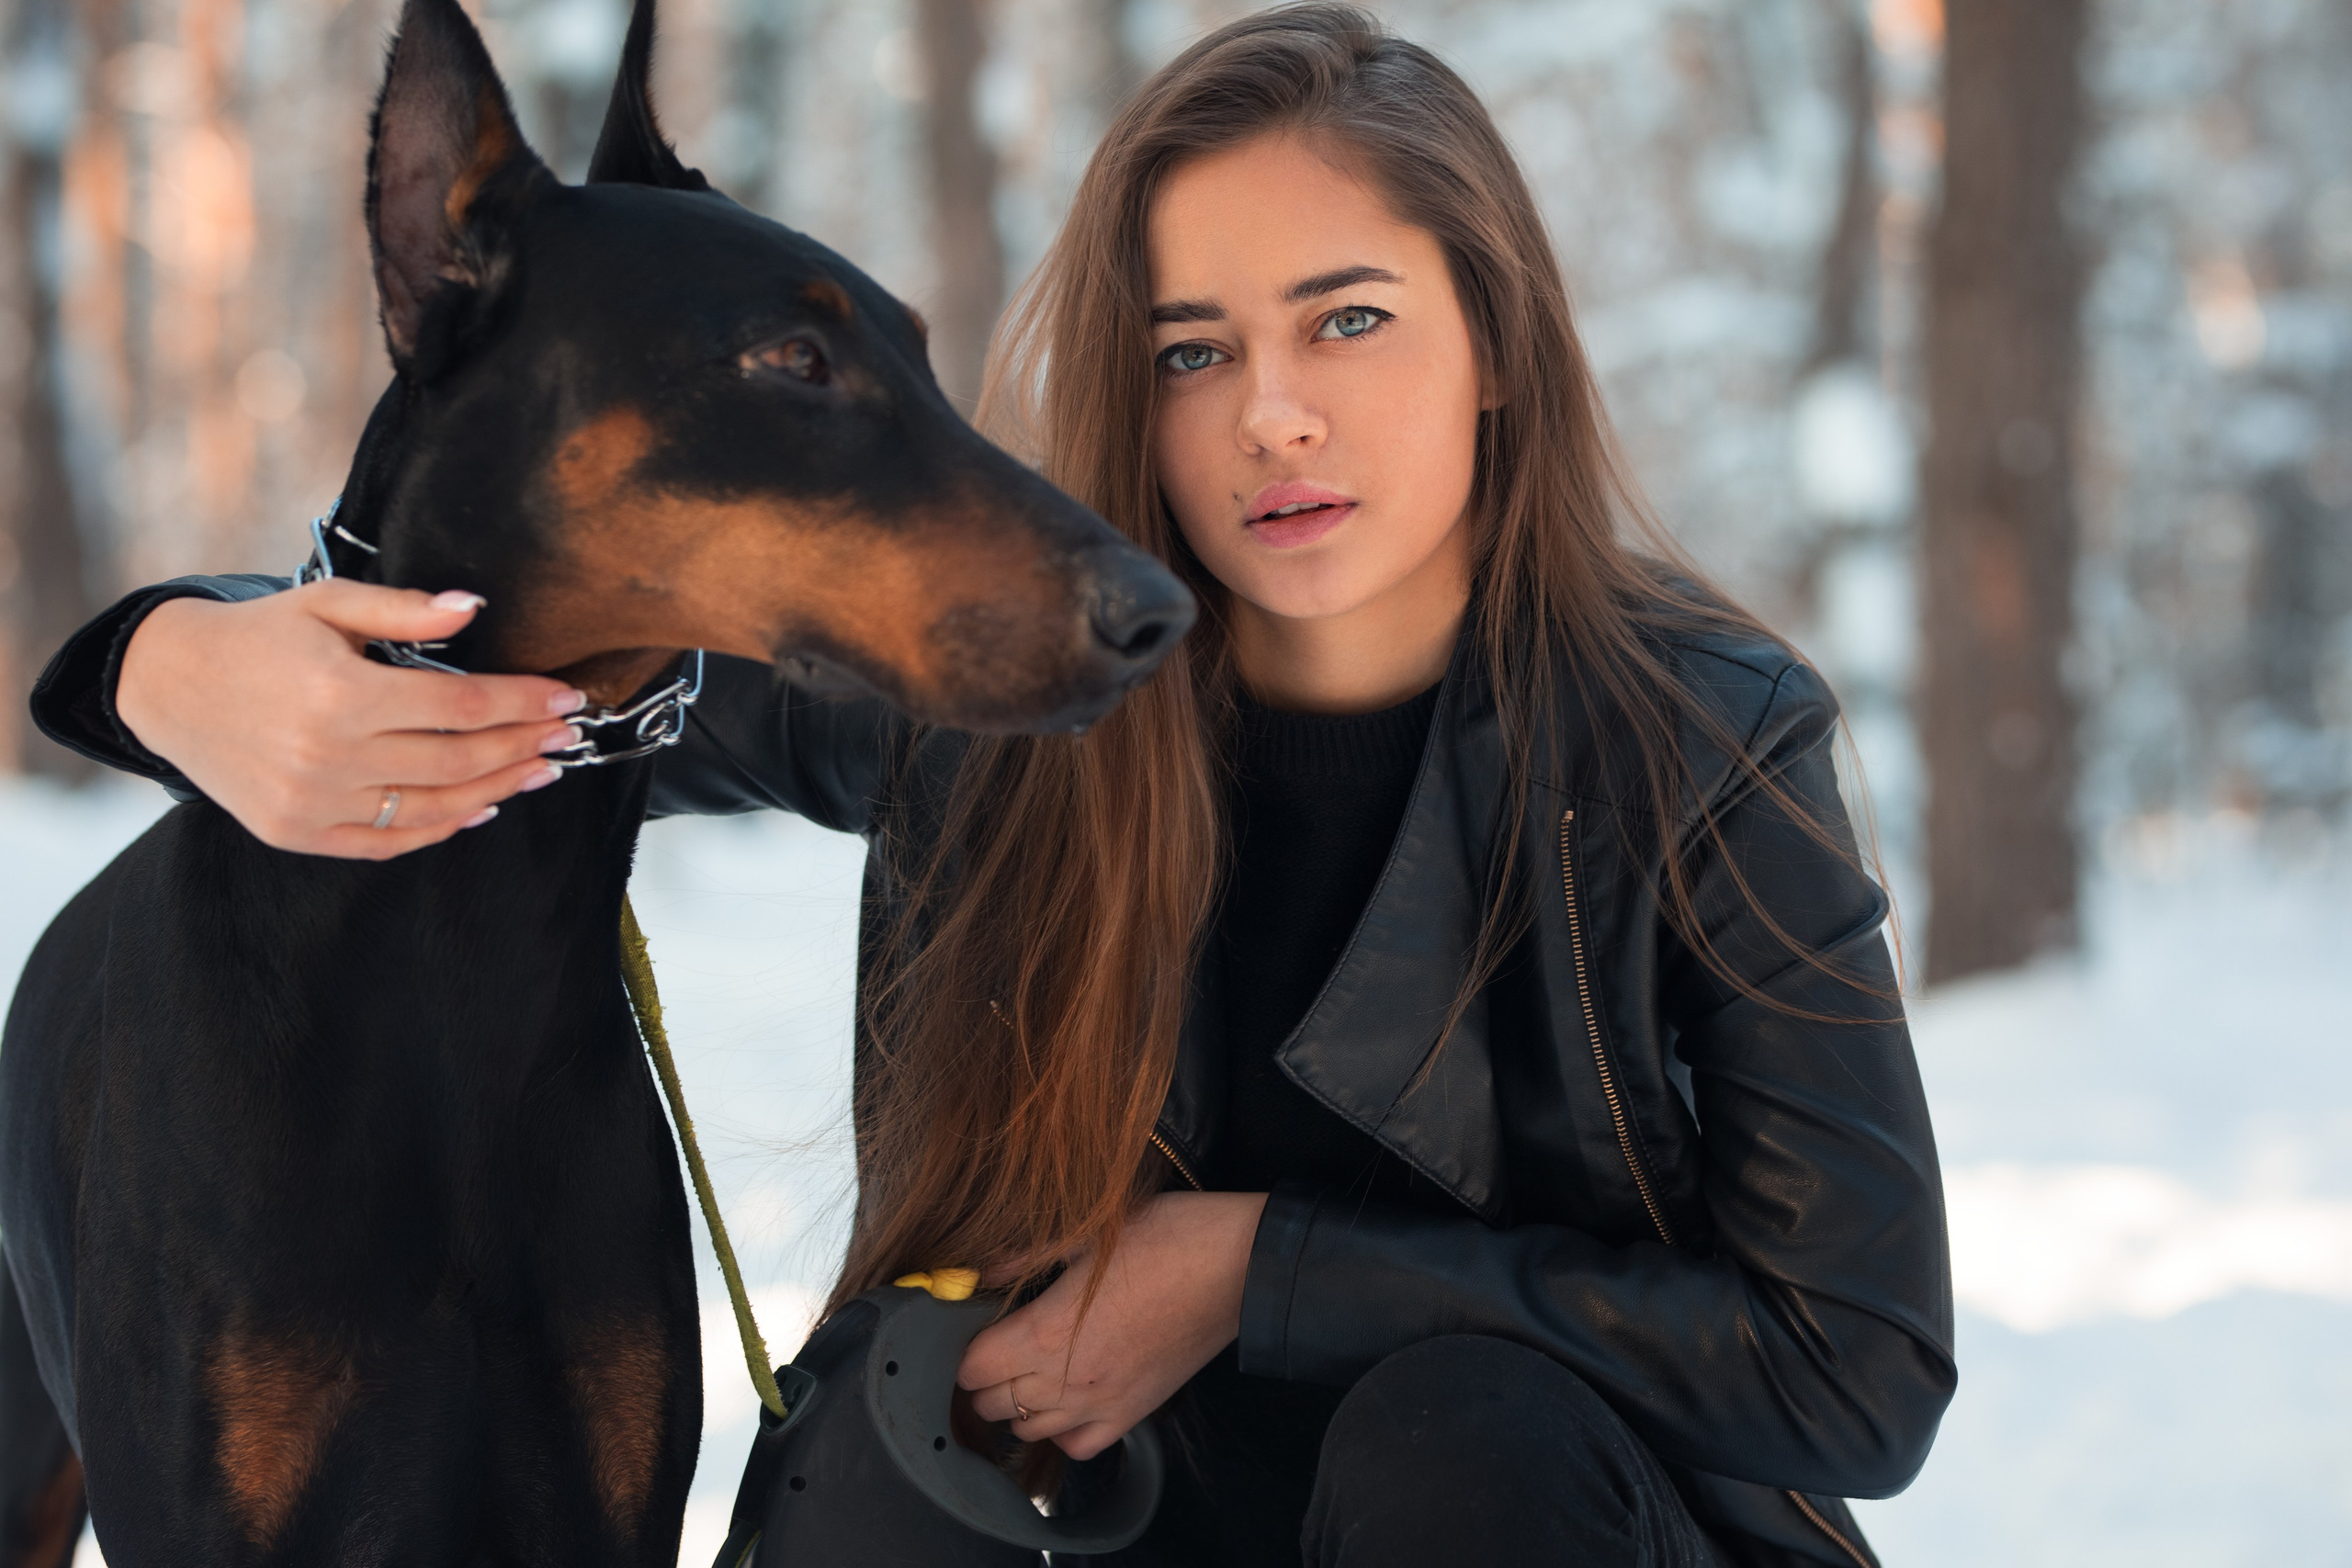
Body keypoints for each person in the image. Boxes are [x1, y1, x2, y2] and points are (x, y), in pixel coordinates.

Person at [30, 7, 1952, 1564]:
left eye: (1346, 318)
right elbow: (505, 652)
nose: (1271, 411)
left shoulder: (1695, 740)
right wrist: (170, 655)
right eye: (1194, 348)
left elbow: (1851, 1367)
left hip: (1542, 1522)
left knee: (1466, 1437)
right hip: (1101, 1508)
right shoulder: (994, 705)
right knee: (886, 1426)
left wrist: (1258, 1269)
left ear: (1496, 349)